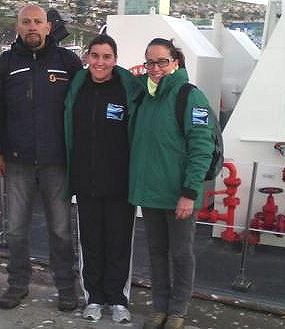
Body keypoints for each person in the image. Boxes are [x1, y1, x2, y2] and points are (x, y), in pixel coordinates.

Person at [0, 5, 82, 311]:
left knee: (60, 230)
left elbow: (80, 108)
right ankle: (18, 284)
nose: (32, 27)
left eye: (37, 22)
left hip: (57, 162)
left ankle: (66, 288)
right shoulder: (5, 64)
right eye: (26, 22)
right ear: (17, 27)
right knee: (15, 229)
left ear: (47, 26)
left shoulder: (67, 62)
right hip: (17, 162)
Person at [129, 38, 215, 329]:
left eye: (162, 62)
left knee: (180, 254)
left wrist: (189, 193)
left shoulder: (189, 96)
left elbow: (201, 147)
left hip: (179, 195)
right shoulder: (145, 95)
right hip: (151, 193)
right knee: (156, 254)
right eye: (150, 62)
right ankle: (160, 307)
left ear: (175, 62)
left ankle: (177, 310)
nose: (155, 69)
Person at [63, 34, 141, 323]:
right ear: (87, 57)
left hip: (120, 182)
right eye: (95, 55)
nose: (100, 62)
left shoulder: (128, 89)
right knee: (91, 243)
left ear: (115, 60)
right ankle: (94, 298)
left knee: (119, 243)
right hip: (86, 181)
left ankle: (118, 299)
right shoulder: (78, 87)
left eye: (106, 57)